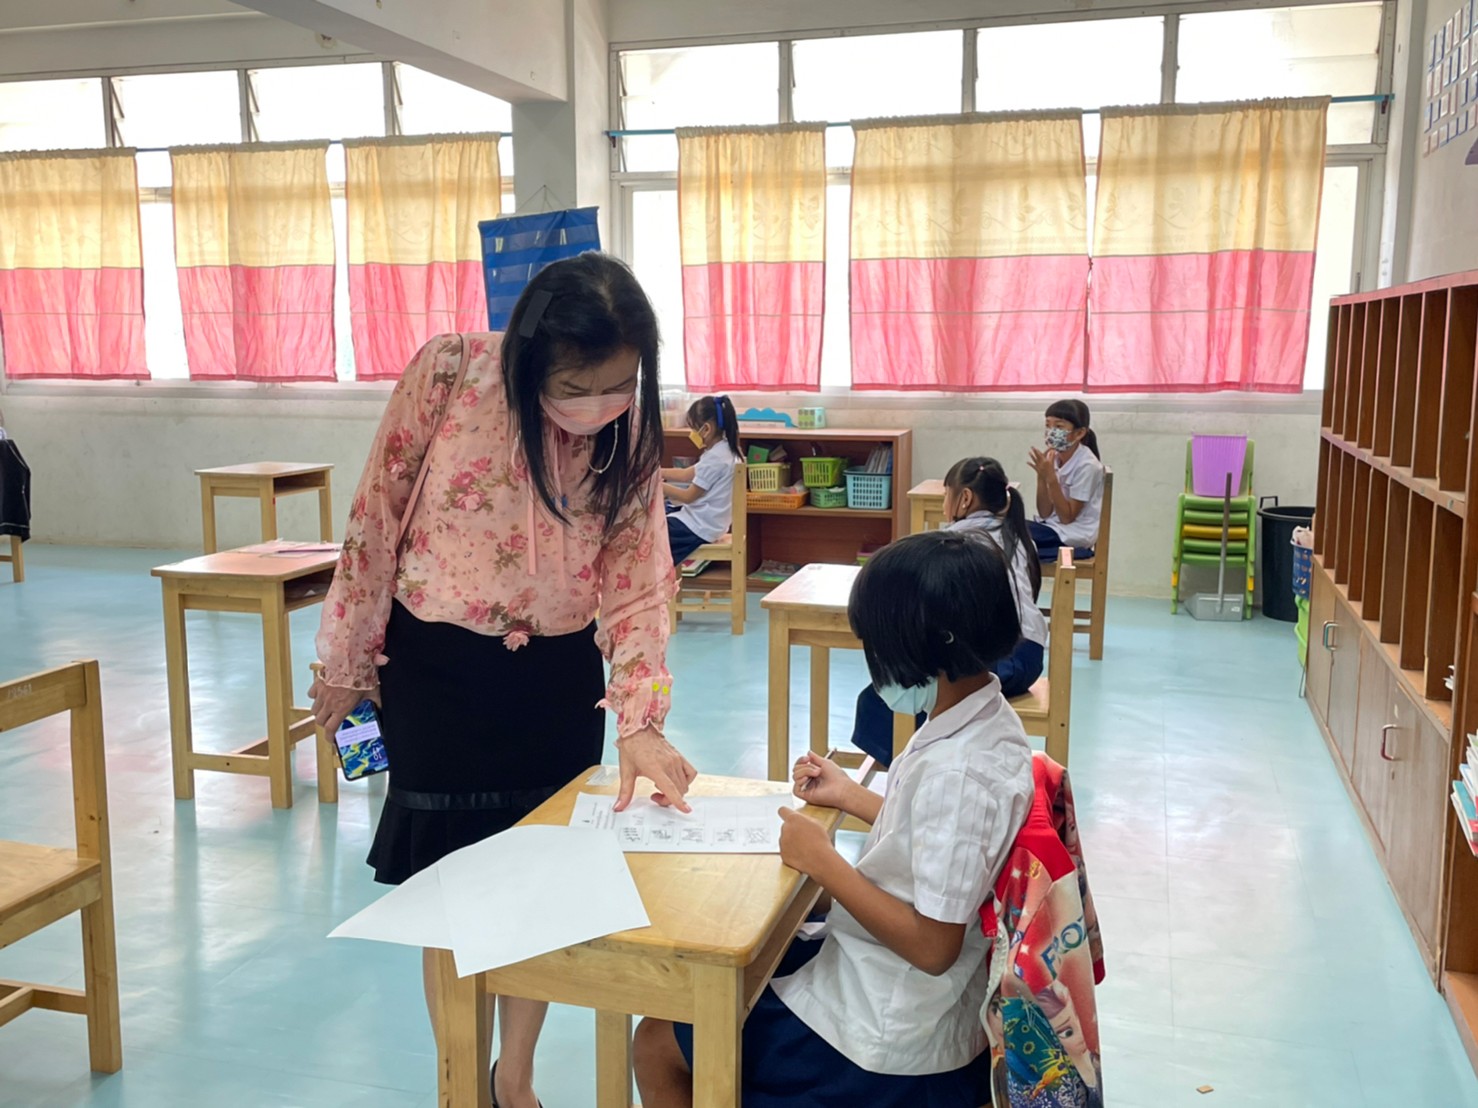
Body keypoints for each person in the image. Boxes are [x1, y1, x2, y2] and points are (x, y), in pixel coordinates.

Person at [310, 253, 697, 1108]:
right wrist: (347, 662)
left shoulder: (629, 432)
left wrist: (639, 719)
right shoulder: (450, 372)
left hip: (556, 679)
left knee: (539, 886)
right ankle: (460, 1079)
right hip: (437, 669)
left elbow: (638, 576)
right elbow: (376, 516)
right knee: (448, 889)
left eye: (618, 383)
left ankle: (512, 1080)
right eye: (573, 386)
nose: (595, 405)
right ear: (527, 360)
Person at [633, 530, 1034, 1108]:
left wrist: (823, 863)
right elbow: (939, 837)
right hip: (907, 998)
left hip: (888, 1036)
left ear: (924, 644)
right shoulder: (986, 720)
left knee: (658, 1041)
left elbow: (933, 946)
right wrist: (851, 796)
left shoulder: (959, 772)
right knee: (746, 968)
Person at [848, 456, 1047, 768]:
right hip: (1028, 656)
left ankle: (908, 767)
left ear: (964, 498)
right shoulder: (1019, 535)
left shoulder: (961, 543)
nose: (943, 504)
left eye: (945, 495)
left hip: (998, 659)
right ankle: (909, 767)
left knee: (889, 695)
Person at [660, 395, 741, 565]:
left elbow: (689, 496)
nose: (691, 434)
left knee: (651, 530)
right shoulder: (725, 450)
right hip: (712, 523)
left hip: (700, 527)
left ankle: (658, 577)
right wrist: (658, 472)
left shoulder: (715, 459)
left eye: (693, 428)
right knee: (662, 514)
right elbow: (686, 474)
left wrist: (658, 487)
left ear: (706, 429)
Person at [1027, 398, 1105, 562]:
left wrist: (1051, 478)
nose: (1051, 432)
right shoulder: (1053, 457)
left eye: (1059, 427)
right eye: (1048, 425)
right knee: (1007, 528)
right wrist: (1041, 477)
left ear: (1079, 433)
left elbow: (1067, 518)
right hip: (1052, 527)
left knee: (1012, 533)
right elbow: (1044, 512)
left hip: (1073, 533)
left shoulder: (1087, 466)